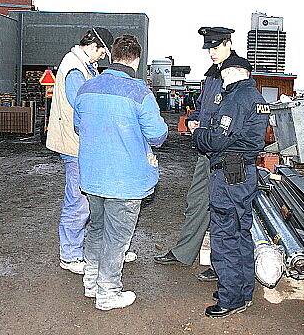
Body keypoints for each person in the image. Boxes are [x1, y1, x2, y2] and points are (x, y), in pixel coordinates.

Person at [74, 34, 168, 311]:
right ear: (136, 60)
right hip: (125, 181)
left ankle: (91, 283)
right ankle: (108, 293)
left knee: (96, 229)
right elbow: (158, 135)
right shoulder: (140, 92)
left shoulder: (87, 88)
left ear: (112, 56)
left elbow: (79, 127)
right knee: (117, 237)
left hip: (92, 176)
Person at [154, 27, 240, 282]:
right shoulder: (213, 75)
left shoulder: (237, 73)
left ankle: (223, 264)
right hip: (207, 151)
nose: (211, 53)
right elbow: (204, 107)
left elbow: (236, 114)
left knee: (228, 208)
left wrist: (208, 127)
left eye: (216, 47)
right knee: (197, 201)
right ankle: (183, 253)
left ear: (228, 44)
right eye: (209, 49)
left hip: (229, 154)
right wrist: (193, 120)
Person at [191, 55, 269, 318]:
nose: (221, 81)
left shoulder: (235, 99)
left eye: (223, 76)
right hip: (245, 172)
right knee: (241, 231)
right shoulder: (257, 98)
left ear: (233, 73)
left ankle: (230, 298)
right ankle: (242, 289)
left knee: (224, 234)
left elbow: (215, 140)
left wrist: (196, 132)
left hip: (228, 174)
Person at [46, 27, 114, 274]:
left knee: (85, 198)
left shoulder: (83, 65)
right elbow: (84, 107)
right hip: (75, 145)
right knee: (78, 201)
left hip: (80, 144)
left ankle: (79, 250)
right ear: (94, 46)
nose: (101, 58)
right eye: (102, 53)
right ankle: (70, 255)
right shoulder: (75, 69)